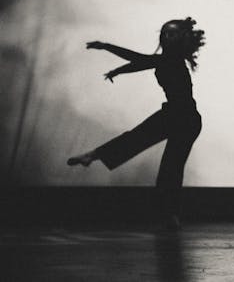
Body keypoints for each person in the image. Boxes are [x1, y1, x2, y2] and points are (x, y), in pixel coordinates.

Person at [67, 17, 205, 229]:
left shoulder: (172, 59)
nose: (166, 37)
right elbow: (143, 63)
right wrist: (118, 71)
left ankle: (170, 215)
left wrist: (106, 47)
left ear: (181, 38)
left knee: (170, 166)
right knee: (147, 148)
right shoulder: (165, 59)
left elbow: (139, 59)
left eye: (172, 34)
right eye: (164, 33)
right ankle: (169, 215)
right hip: (176, 114)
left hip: (185, 118)